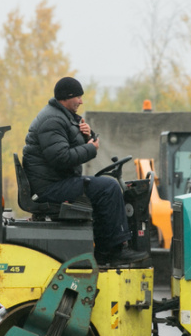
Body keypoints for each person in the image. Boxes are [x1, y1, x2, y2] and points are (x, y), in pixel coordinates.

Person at [22, 76, 147, 265]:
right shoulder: (52, 120)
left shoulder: (63, 117)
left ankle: (104, 250)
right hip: (50, 187)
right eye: (78, 97)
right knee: (109, 188)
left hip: (56, 182)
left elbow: (72, 145)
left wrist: (88, 135)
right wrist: (90, 148)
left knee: (103, 188)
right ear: (66, 97)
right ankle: (114, 251)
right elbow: (61, 158)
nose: (81, 101)